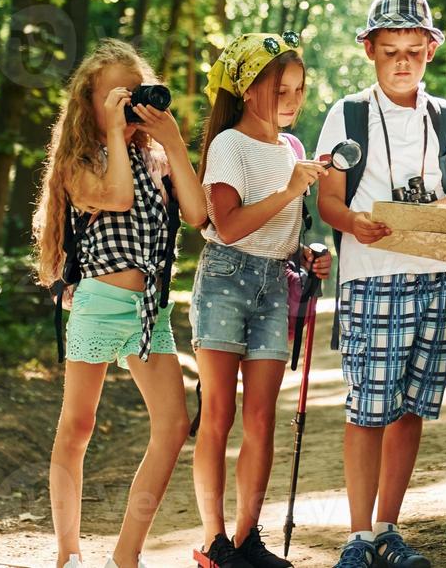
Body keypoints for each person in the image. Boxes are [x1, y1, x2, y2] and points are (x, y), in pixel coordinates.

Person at [315, 0, 446, 568]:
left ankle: (390, 526)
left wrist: (421, 219)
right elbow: (330, 202)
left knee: (412, 403)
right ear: (369, 49)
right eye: (390, 50)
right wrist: (356, 224)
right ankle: (358, 536)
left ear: (432, 50)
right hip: (371, 274)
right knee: (369, 406)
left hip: (433, 273)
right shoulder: (348, 113)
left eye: (415, 50)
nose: (403, 62)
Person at [35, 39, 209, 568]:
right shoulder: (78, 161)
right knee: (78, 426)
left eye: (133, 96)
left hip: (148, 311)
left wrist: (175, 145)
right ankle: (69, 551)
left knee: (174, 427)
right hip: (99, 301)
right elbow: (117, 197)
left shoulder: (154, 158)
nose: (128, 107)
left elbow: (199, 214)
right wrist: (114, 132)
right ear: (88, 105)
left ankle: (126, 556)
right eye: (115, 98)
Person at [191, 32, 333, 568]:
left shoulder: (292, 150)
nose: (293, 101)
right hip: (225, 279)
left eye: (298, 89)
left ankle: (248, 538)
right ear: (249, 92)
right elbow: (225, 227)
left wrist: (311, 252)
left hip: (276, 283)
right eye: (282, 91)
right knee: (219, 415)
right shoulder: (228, 145)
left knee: (261, 418)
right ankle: (213, 541)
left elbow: (283, 236)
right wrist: (291, 190)